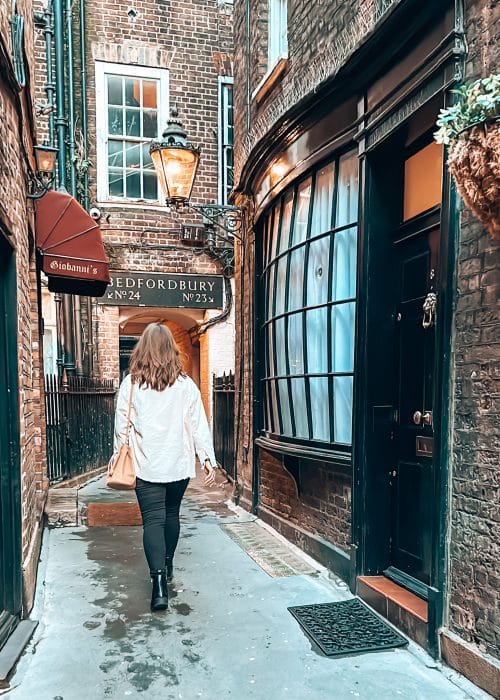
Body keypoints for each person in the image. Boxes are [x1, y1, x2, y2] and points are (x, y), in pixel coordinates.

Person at [113, 323, 217, 611]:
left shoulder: (131, 383)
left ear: (142, 349)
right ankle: (167, 564)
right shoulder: (186, 385)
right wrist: (206, 458)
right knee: (171, 515)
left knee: (153, 521)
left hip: (147, 464)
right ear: (172, 350)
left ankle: (158, 585)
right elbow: (198, 424)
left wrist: (119, 457)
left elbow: (122, 427)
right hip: (178, 464)